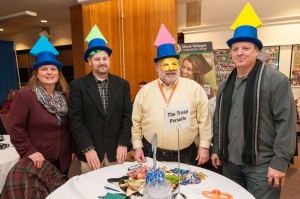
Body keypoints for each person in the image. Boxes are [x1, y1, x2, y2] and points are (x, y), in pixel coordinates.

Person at [211, 3, 296, 199]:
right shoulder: (225, 85)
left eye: (246, 48)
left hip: (262, 166)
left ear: (256, 50)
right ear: (230, 53)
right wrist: (216, 149)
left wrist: (280, 161)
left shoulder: (275, 80)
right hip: (230, 164)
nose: (239, 52)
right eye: (235, 48)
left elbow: (286, 123)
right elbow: (219, 121)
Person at [132, 24, 212, 166]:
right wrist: (137, 146)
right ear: (157, 67)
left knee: (185, 188)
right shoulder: (145, 92)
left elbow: (204, 120)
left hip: (186, 154)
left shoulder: (194, 89)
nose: (170, 69)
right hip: (152, 153)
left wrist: (204, 145)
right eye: (165, 65)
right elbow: (136, 121)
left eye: (174, 64)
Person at [68, 25, 132, 174]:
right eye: (97, 59)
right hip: (91, 154)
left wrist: (123, 143)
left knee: (116, 190)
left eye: (105, 58)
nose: (102, 62)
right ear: (89, 62)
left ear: (109, 60)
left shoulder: (122, 85)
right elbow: (75, 120)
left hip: (116, 152)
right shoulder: (77, 86)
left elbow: (127, 116)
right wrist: (88, 149)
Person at [9, 35, 75, 176]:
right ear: (36, 74)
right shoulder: (25, 96)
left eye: (53, 69)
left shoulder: (65, 95)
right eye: (44, 69)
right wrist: (29, 151)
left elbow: (70, 126)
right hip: (38, 159)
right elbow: (15, 129)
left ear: (58, 73)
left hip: (63, 158)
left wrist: (73, 149)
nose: (49, 72)